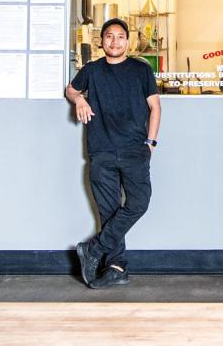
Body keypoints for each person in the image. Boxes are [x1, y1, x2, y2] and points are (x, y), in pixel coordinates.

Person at [65, 17, 161, 289]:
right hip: (102, 150)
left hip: (134, 150)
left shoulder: (141, 70)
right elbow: (70, 89)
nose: (114, 41)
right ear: (102, 41)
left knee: (139, 202)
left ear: (127, 42)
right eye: (109, 36)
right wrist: (80, 98)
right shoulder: (92, 70)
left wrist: (151, 143)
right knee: (109, 212)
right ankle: (117, 267)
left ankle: (93, 250)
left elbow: (156, 107)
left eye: (120, 36)